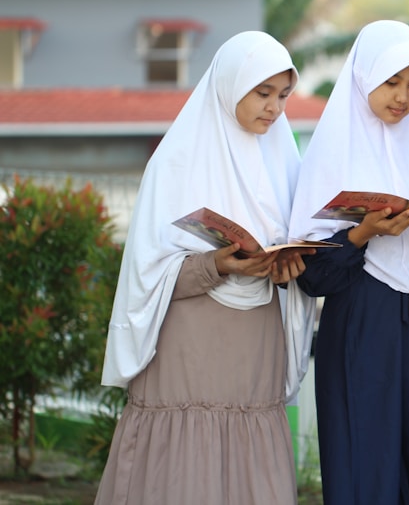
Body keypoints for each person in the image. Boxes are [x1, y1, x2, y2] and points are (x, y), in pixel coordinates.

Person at [94, 31, 317, 505]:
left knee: (247, 459)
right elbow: (144, 274)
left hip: (257, 341)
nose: (273, 108)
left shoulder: (286, 164)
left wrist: (285, 267)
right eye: (262, 93)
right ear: (229, 85)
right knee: (184, 467)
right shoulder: (175, 163)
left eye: (282, 95)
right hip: (188, 342)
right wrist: (215, 263)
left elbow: (300, 246)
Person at [288, 20, 409, 505]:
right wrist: (364, 232)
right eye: (391, 82)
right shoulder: (331, 150)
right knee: (368, 457)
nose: (402, 98)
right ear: (364, 76)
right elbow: (312, 274)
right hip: (363, 324)